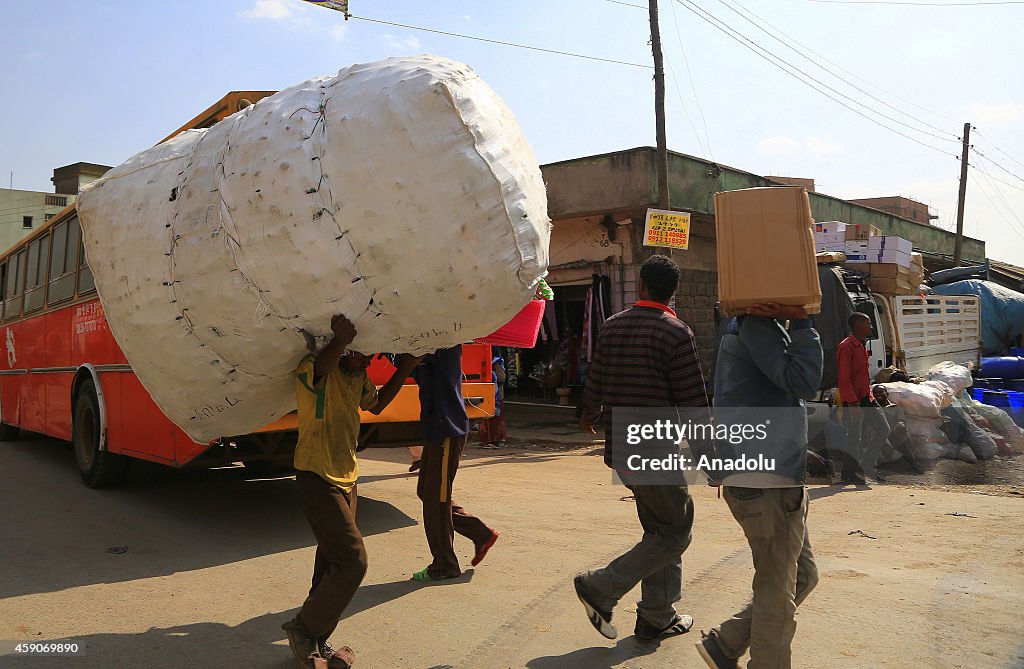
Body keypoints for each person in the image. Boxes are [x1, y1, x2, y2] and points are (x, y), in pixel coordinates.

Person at [575, 254, 709, 643]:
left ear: (642, 286)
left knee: (659, 532)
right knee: (674, 534)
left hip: (624, 449)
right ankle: (600, 586)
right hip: (656, 451)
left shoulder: (612, 326)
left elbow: (595, 381)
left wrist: (587, 415)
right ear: (673, 292)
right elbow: (693, 404)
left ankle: (656, 616)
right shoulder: (675, 332)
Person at [282, 314, 422, 669]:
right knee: (353, 561)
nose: (365, 362)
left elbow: (375, 404)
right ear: (343, 350)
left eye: (369, 357)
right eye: (360, 356)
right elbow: (322, 365)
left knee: (331, 561)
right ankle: (301, 629)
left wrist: (404, 367)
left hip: (347, 478)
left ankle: (316, 640)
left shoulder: (355, 375)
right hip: (316, 475)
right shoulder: (313, 368)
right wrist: (341, 340)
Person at [696, 302, 823, 669]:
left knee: (802, 575)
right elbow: (804, 381)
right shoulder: (756, 327)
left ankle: (726, 644)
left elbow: (764, 396)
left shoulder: (749, 327)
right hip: (766, 483)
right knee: (776, 591)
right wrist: (803, 323)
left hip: (767, 474)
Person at [411, 345, 499, 580]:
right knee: (426, 492)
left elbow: (414, 364)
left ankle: (444, 565)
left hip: (446, 428)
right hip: (435, 427)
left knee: (436, 499)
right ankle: (481, 533)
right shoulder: (430, 345)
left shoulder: (441, 344)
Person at [836, 312, 890, 483]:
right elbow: (844, 378)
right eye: (868, 323)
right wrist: (852, 403)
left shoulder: (861, 344)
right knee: (854, 436)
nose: (871, 326)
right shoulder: (846, 346)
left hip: (867, 397)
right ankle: (849, 473)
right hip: (854, 400)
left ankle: (866, 465)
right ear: (858, 324)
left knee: (883, 428)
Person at [873, 384, 924, 474]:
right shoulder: (872, 409)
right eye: (875, 393)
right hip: (878, 437)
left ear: (887, 394)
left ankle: (913, 463)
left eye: (881, 392)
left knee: (901, 430)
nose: (878, 395)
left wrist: (900, 425)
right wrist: (885, 442)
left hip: (893, 436)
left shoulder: (896, 408)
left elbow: (901, 421)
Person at [480, 350, 507, 448]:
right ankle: (488, 440)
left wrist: (491, 376)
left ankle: (498, 440)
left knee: (496, 418)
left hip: (497, 393)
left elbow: (501, 377)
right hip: (488, 392)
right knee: (486, 417)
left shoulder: (496, 361)